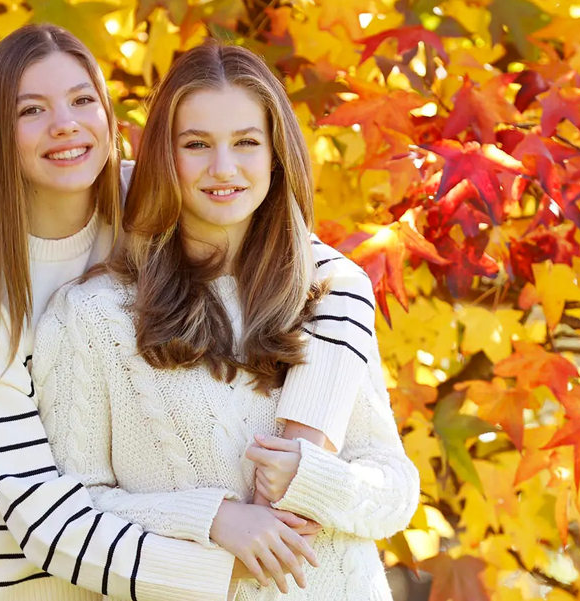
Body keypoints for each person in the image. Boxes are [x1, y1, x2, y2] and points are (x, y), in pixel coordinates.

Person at [0, 24, 381, 601]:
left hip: (96, 580)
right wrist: (228, 541)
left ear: (110, 118)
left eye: (82, 100)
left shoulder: (150, 197)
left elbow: (334, 277)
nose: (65, 124)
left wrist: (304, 441)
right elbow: (43, 520)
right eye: (32, 110)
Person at [32, 42, 420, 601]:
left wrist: (313, 477)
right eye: (196, 145)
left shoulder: (325, 299)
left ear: (275, 156)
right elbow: (77, 518)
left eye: (246, 143)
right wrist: (215, 519)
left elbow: (395, 488)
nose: (223, 168)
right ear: (164, 157)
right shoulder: (93, 317)